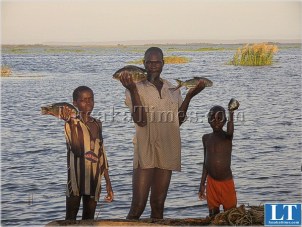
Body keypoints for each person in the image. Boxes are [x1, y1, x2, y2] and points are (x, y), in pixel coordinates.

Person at [120, 47, 205, 219]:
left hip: (167, 147)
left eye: (157, 62)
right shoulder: (134, 88)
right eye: (149, 62)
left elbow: (177, 121)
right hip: (145, 149)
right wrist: (134, 90)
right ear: (143, 64)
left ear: (163, 63)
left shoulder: (172, 89)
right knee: (138, 205)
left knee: (158, 205)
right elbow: (140, 120)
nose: (153, 65)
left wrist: (189, 97)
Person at [60, 86, 114, 220]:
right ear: (75, 103)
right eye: (83, 100)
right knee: (70, 218)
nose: (88, 103)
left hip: (94, 179)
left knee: (89, 218)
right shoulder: (70, 123)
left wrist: (108, 182)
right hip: (75, 179)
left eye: (91, 99)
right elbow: (76, 149)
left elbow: (102, 154)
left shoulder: (97, 123)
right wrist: (70, 122)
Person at [198, 105, 237, 217]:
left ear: (225, 120)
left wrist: (231, 113)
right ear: (208, 120)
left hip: (226, 183)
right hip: (211, 183)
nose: (216, 122)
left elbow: (230, 131)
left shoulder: (227, 137)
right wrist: (202, 184)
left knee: (231, 215)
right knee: (213, 215)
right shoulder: (206, 138)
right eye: (213, 118)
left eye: (220, 118)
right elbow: (205, 163)